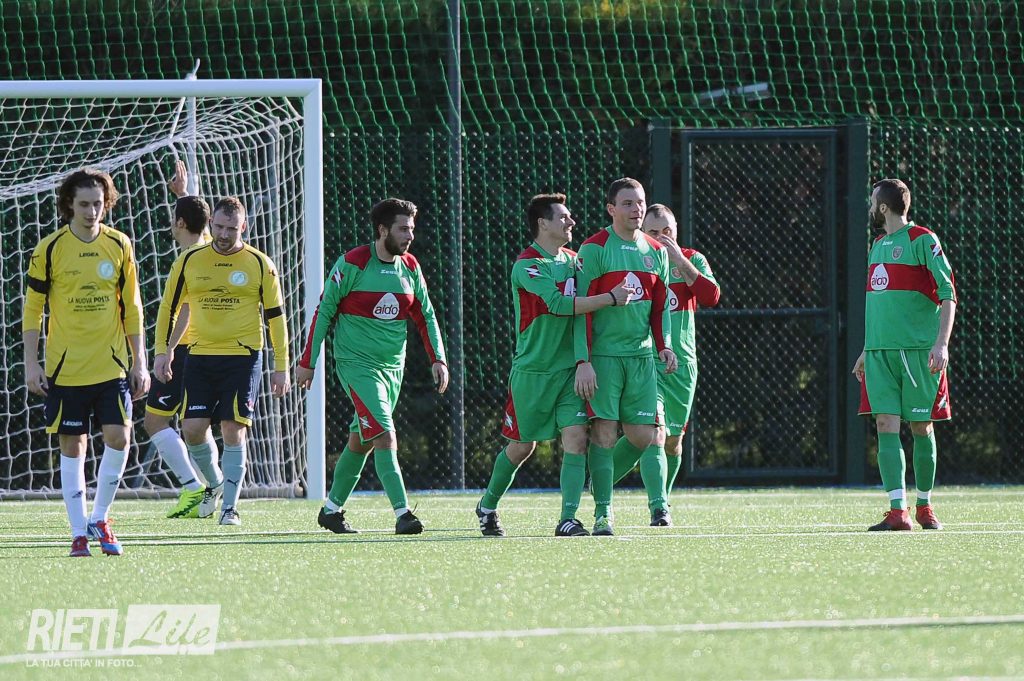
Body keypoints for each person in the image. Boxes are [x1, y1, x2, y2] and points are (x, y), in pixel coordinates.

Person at [474, 194, 632, 537]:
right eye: (563, 217)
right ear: (543, 224)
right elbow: (559, 305)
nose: (571, 222)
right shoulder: (527, 265)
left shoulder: (576, 261)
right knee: (522, 447)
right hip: (533, 373)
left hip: (569, 371)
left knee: (576, 439)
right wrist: (610, 298)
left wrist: (583, 359)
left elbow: (586, 306)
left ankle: (567, 519)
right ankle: (487, 505)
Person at [297, 198, 448, 535]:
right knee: (384, 434)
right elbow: (324, 312)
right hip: (356, 365)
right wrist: (308, 362)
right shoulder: (352, 263)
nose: (410, 235)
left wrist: (438, 358)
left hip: (392, 368)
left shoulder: (410, 267)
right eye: (403, 229)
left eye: (411, 228)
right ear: (382, 230)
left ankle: (331, 510)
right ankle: (403, 513)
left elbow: (425, 315)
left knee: (361, 440)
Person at [23, 168, 149, 557]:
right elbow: (33, 310)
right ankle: (78, 532)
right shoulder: (49, 249)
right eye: (84, 204)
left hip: (111, 364)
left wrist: (140, 361)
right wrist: (31, 363)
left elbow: (133, 307)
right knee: (72, 445)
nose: (92, 211)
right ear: (69, 205)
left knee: (120, 437)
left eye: (98, 203)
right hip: (66, 367)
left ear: (106, 204)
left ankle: (100, 518)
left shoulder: (119, 244)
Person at [154, 196, 291, 527]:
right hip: (200, 355)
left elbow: (276, 317)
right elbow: (169, 307)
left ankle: (230, 507)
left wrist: (281, 366)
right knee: (192, 430)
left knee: (233, 429)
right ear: (210, 225)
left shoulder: (259, 263)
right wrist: (162, 350)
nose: (225, 234)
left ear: (244, 227)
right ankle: (215, 483)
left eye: (232, 228)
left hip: (243, 357)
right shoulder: (190, 260)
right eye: (219, 227)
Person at [852, 178, 957, 531]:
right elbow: (878, 304)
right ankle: (898, 511)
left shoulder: (923, 240)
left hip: (918, 353)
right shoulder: (877, 245)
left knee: (921, 426)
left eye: (873, 202)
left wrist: (941, 343)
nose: (870, 207)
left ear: (883, 207)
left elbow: (948, 294)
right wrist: (866, 349)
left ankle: (924, 505)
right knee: (885, 424)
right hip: (880, 353)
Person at [575, 178, 677, 535]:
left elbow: (660, 307)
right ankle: (603, 512)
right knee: (603, 433)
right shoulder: (594, 248)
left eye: (640, 202)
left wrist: (664, 344)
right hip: (604, 358)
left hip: (642, 358)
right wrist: (583, 360)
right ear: (611, 209)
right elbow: (580, 310)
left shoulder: (656, 251)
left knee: (644, 436)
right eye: (628, 203)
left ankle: (601, 483)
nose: (637, 210)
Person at [609, 204, 720, 524]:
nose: (661, 238)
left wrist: (680, 261)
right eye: (654, 232)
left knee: (673, 441)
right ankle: (657, 508)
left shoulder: (692, 259)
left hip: (683, 364)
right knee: (652, 432)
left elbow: (711, 296)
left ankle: (645, 493)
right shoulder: (636, 261)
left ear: (676, 232)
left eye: (667, 231)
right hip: (647, 361)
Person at [143, 161, 219, 519]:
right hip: (206, 348)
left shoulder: (189, 259)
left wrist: (168, 350)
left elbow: (186, 308)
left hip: (185, 350)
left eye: (175, 218)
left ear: (179, 223)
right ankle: (210, 490)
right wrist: (185, 194)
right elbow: (199, 221)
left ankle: (195, 488)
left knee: (156, 422)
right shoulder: (209, 247)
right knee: (197, 426)